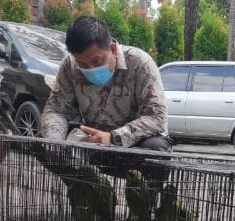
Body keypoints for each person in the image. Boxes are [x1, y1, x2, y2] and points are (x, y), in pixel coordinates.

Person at [41, 15, 171, 153]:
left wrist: (113, 138)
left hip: (134, 142)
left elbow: (157, 117)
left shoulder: (140, 63)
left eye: (96, 61)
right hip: (93, 140)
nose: (90, 69)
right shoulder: (69, 65)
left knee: (156, 147)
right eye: (82, 64)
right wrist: (55, 143)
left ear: (113, 49)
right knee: (45, 143)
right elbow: (55, 110)